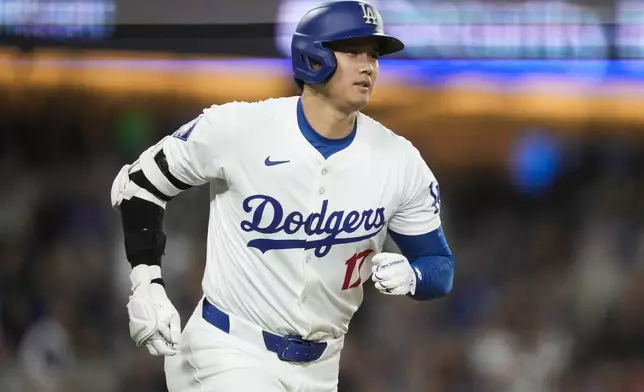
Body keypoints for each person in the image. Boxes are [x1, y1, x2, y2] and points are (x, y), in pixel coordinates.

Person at [110, 1, 454, 391]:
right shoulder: (239, 128)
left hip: (322, 367)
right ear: (314, 57)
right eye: (353, 51)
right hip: (227, 350)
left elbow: (439, 266)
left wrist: (414, 274)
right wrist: (146, 281)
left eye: (373, 55)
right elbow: (138, 184)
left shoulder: (400, 161)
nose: (368, 66)